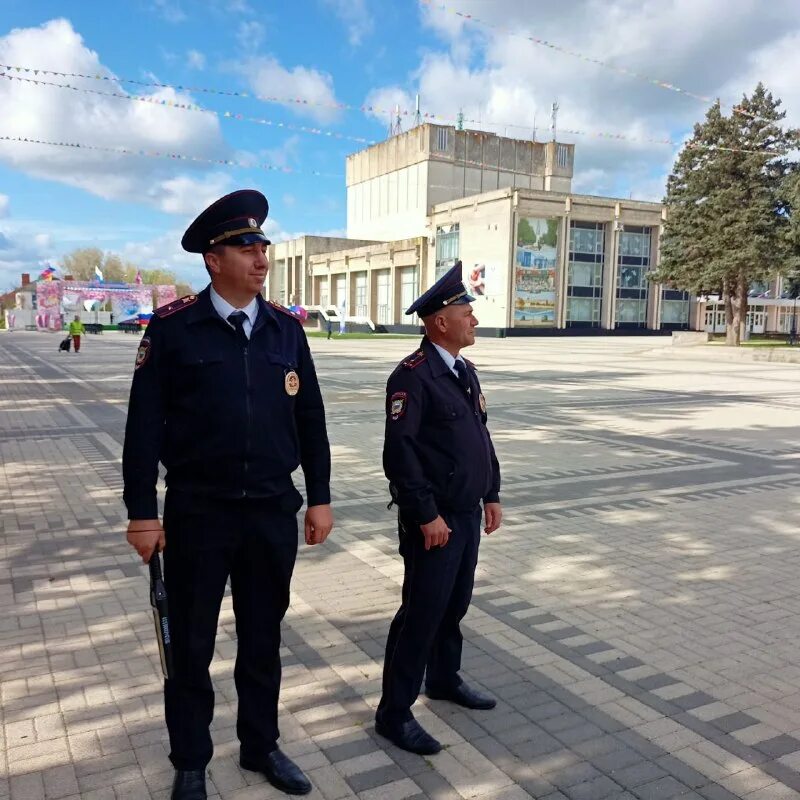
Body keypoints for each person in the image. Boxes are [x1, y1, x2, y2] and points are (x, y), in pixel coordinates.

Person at [122, 189, 334, 799]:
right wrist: (142, 512)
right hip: (199, 512)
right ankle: (190, 761)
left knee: (264, 637)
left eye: (263, 245)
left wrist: (318, 494)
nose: (261, 256)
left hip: (271, 508)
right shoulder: (172, 330)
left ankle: (260, 746)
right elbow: (143, 429)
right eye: (247, 246)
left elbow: (311, 419)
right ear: (214, 259)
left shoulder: (285, 332)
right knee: (191, 643)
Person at [375, 261, 502, 755]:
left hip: (467, 514)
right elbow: (399, 454)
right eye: (464, 310)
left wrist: (491, 492)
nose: (473, 318)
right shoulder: (412, 377)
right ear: (438, 322)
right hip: (436, 520)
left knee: (454, 604)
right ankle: (393, 712)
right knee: (420, 614)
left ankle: (444, 678)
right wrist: (425, 514)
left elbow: (480, 439)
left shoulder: (464, 371)